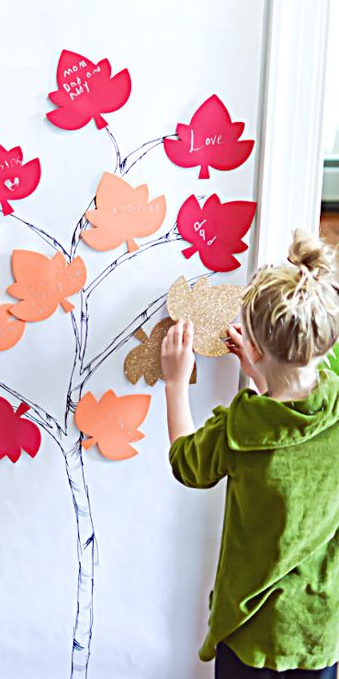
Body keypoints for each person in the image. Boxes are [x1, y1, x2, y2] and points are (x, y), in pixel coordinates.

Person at [162, 229, 339, 678]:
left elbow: (186, 461)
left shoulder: (241, 428)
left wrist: (175, 382)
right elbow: (296, 416)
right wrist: (265, 377)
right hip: (319, 631)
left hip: (251, 636)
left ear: (255, 350)